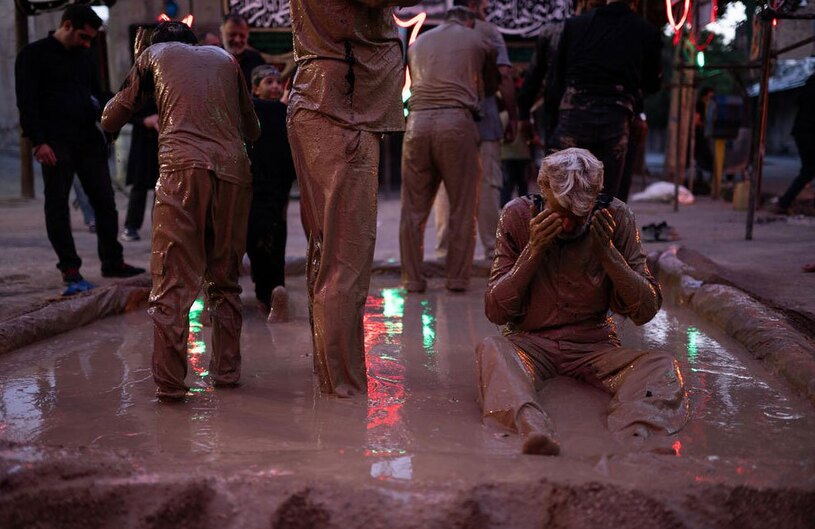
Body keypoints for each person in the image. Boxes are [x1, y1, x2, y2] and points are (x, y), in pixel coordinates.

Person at [476, 148, 688, 455]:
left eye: (579, 216)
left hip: (594, 345)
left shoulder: (616, 216)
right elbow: (495, 310)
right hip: (530, 343)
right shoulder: (517, 214)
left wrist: (609, 255)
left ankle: (636, 434)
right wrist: (533, 250)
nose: (568, 225)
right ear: (543, 188)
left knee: (662, 366)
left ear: (597, 196)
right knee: (493, 349)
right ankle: (529, 428)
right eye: (560, 212)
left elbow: (645, 311)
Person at [101, 21, 260, 401]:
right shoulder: (225, 58)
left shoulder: (153, 55)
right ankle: (227, 373)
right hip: (235, 172)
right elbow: (252, 129)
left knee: (172, 282)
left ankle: (170, 385)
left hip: (182, 170)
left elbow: (110, 118)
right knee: (225, 281)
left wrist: (146, 79)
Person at [287, 0, 421, 398]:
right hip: (343, 111)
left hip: (327, 103)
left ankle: (331, 376)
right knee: (346, 259)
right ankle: (344, 391)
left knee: (328, 252)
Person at [15, 5, 145, 296]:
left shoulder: (85, 56)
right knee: (58, 205)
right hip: (54, 142)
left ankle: (112, 261)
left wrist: (117, 113)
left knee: (105, 202)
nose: (87, 44)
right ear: (67, 25)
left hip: (86, 138)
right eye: (83, 37)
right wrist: (38, 141)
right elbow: (27, 102)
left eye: (91, 39)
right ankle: (70, 268)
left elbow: (95, 95)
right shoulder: (33, 55)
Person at [399, 6, 497, 293]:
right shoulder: (479, 39)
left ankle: (412, 279)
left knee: (412, 209)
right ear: (470, 22)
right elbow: (491, 85)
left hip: (416, 124)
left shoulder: (417, 43)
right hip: (457, 123)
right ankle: (456, 279)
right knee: (462, 207)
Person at [546, 0, 662, 199]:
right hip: (615, 121)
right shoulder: (645, 30)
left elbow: (556, 80)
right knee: (608, 199)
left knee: (566, 197)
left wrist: (551, 125)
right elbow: (652, 84)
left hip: (573, 118)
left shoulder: (574, 25)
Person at [433, 0, 518, 262]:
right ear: (473, 4)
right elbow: (504, 75)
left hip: (445, 120)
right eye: (484, 4)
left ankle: (445, 252)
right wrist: (513, 117)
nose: (487, 8)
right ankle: (492, 251)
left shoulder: (433, 36)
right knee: (488, 184)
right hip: (485, 121)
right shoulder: (488, 32)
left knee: (446, 185)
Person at [246, 64, 296, 322]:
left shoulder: (280, 112)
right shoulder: (266, 111)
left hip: (269, 186)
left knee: (263, 240)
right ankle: (272, 292)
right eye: (269, 82)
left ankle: (269, 294)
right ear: (255, 88)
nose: (276, 86)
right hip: (262, 187)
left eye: (278, 82)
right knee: (270, 239)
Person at [773, 73, 815, 215]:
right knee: (808, 171)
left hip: (802, 132)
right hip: (809, 132)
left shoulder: (810, 82)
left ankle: (783, 203)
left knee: (808, 171)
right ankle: (783, 203)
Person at [120, 99, 159, 242]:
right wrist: (144, 121)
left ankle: (160, 227)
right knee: (139, 185)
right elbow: (125, 111)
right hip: (142, 143)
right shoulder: (140, 89)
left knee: (162, 188)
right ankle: (131, 226)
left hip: (164, 142)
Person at [220, 13, 266, 89]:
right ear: (221, 34)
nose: (237, 40)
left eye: (242, 36)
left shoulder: (257, 61)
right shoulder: (212, 59)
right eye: (232, 35)